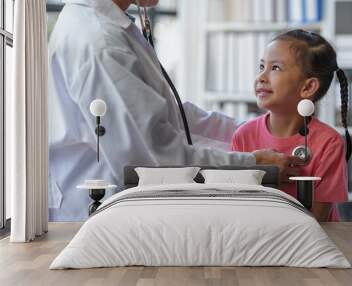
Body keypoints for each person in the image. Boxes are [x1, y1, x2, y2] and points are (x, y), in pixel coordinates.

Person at [48, 0, 304, 221]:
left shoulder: (110, 27)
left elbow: (169, 114)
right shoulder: (101, 43)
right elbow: (154, 161)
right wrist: (253, 163)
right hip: (97, 213)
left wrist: (261, 131)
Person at [231, 29, 352, 222]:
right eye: (261, 66)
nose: (261, 77)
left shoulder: (329, 143)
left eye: (275, 68)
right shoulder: (243, 135)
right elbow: (235, 204)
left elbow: (317, 221)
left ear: (308, 87)